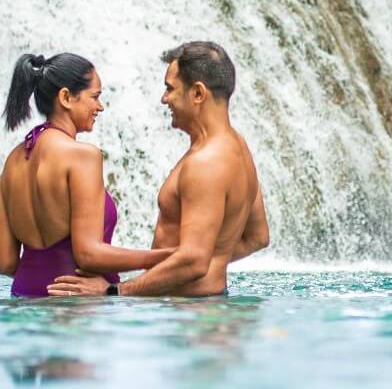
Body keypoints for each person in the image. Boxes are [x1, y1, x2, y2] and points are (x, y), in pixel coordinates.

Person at [49, 41, 268, 297]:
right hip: (210, 305)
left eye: (170, 88)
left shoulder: (205, 163)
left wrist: (114, 291)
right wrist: (212, 258)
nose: (164, 99)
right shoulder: (238, 148)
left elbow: (194, 261)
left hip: (189, 315)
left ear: (198, 93)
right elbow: (258, 236)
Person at [0, 52, 173, 297]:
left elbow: (6, 263)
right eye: (95, 97)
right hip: (75, 305)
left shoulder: (12, 162)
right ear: (66, 97)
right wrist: (167, 258)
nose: (99, 107)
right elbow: (88, 255)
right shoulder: (82, 156)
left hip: (23, 297)